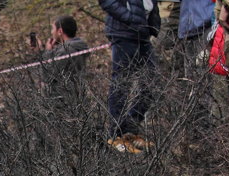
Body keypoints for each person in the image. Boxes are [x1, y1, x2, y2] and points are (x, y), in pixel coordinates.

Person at [98, 0, 160, 153]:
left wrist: (153, 24)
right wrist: (130, 18)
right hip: (124, 32)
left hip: (143, 33)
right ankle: (116, 135)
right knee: (121, 84)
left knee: (153, 81)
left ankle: (130, 130)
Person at [36, 14, 89, 106]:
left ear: (60, 31)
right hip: (77, 95)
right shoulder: (77, 46)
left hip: (64, 100)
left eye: (53, 29)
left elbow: (47, 76)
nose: (52, 32)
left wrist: (47, 52)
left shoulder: (65, 51)